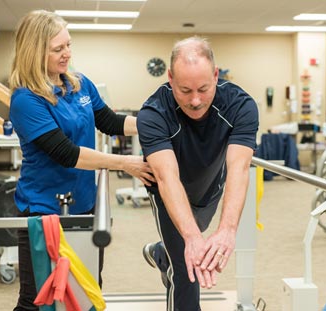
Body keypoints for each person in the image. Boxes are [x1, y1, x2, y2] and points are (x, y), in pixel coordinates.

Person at [9, 10, 154, 310]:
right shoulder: (26, 99)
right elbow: (66, 154)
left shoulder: (79, 83)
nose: (67, 54)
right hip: (43, 211)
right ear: (35, 52)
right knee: (36, 299)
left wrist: (157, 125)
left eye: (69, 45)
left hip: (85, 205)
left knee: (87, 289)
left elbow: (110, 121)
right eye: (58, 49)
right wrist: (126, 164)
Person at [137, 37, 259, 311]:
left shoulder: (240, 106)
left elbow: (239, 168)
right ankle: (173, 255)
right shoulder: (153, 113)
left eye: (204, 89)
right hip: (167, 190)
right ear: (170, 78)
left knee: (186, 244)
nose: (195, 100)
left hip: (209, 188)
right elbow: (167, 177)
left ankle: (162, 252)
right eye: (185, 90)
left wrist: (227, 230)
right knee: (186, 268)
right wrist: (191, 238)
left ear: (216, 75)